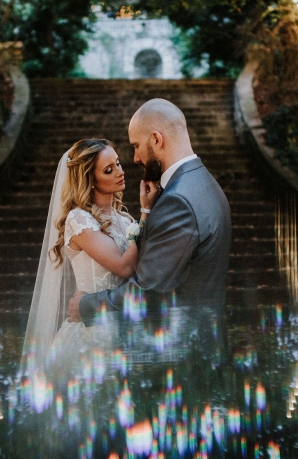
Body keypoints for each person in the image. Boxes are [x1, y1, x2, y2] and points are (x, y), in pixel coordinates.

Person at [66, 99, 232, 362]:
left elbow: (149, 290)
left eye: (135, 146)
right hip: (201, 344)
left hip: (180, 356)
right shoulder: (203, 182)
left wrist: (87, 305)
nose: (134, 159)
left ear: (156, 139)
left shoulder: (178, 200)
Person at [21, 138, 159, 375]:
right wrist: (146, 212)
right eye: (109, 169)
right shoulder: (79, 219)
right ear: (90, 180)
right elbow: (124, 267)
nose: (120, 172)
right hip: (92, 333)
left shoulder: (125, 220)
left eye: (117, 163)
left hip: (124, 327)